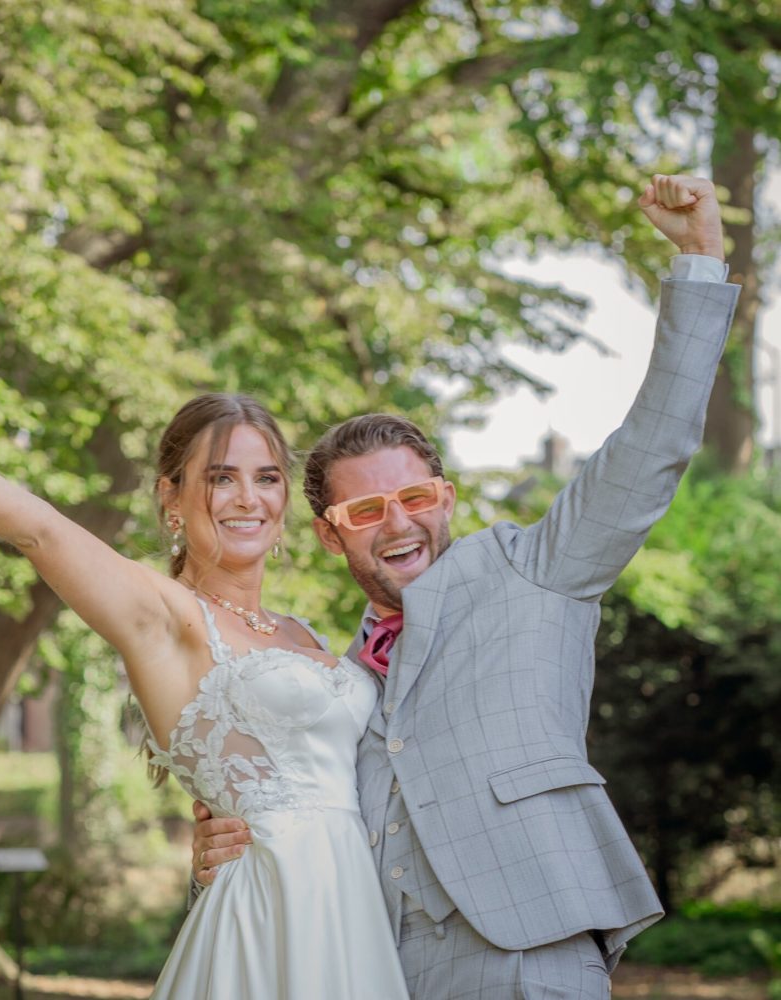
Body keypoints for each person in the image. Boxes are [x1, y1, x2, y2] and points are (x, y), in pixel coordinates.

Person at [191, 173, 741, 998]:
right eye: (369, 509)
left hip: (530, 947)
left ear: (445, 498)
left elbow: (650, 447)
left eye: (415, 498)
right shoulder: (330, 683)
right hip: (381, 968)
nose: (400, 523)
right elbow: (298, 820)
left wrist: (699, 259)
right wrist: (218, 854)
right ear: (329, 531)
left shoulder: (535, 568)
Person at [0, 373, 410, 997]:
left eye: (266, 477)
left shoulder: (301, 633)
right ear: (172, 497)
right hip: (274, 912)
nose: (249, 498)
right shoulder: (162, 615)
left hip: (355, 903)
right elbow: (38, 529)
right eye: (221, 478)